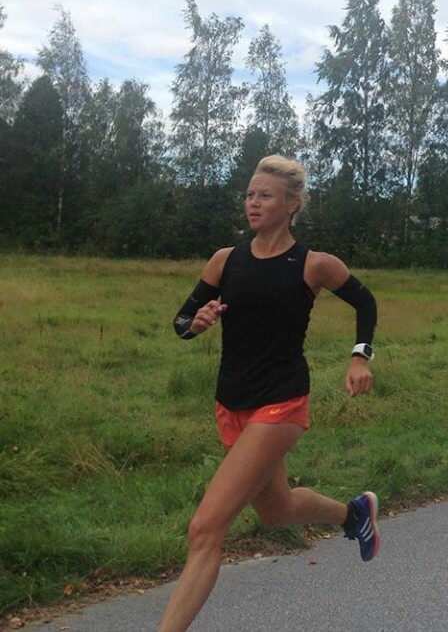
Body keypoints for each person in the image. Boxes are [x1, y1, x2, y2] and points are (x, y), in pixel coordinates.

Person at [158, 154, 379, 632]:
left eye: (265, 196)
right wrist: (196, 323)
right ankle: (353, 514)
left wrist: (359, 357)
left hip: (281, 401)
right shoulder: (225, 260)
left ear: (292, 205)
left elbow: (365, 301)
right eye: (249, 195)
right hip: (231, 402)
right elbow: (181, 321)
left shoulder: (313, 265)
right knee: (277, 510)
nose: (253, 203)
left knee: (205, 529)